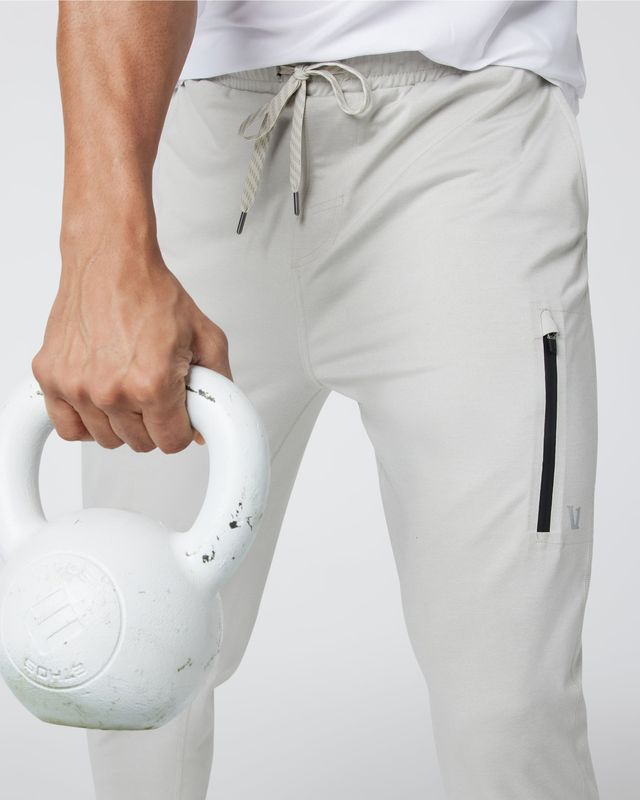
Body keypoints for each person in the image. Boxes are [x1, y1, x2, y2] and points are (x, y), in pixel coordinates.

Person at [32, 2, 599, 798]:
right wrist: (98, 256)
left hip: (464, 131)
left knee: (507, 697)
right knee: (128, 653)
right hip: (209, 131)